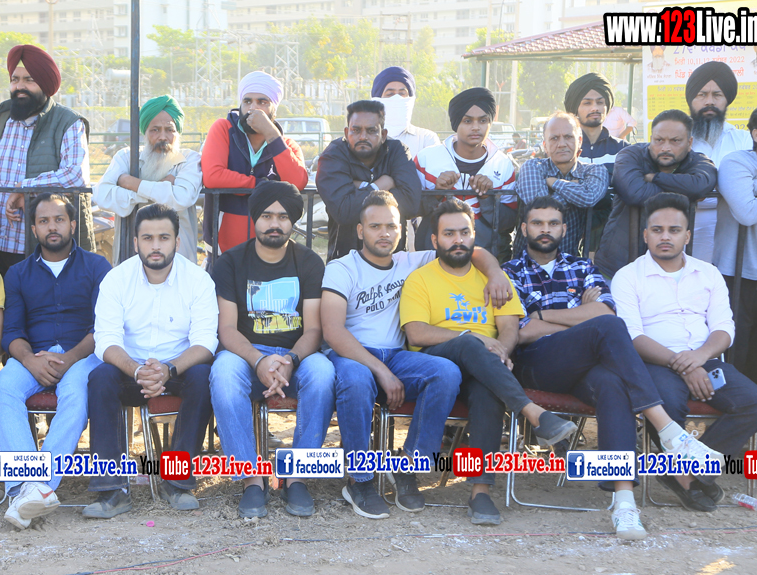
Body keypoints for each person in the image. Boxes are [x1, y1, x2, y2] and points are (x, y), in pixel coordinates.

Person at [504, 196, 723, 540]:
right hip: (537, 363)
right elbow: (523, 331)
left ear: (564, 228)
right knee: (607, 329)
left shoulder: (582, 267)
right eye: (537, 223)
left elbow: (604, 312)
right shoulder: (509, 272)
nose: (545, 230)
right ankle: (668, 431)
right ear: (524, 228)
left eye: (553, 223)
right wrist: (580, 317)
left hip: (586, 365)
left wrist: (543, 315)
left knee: (612, 383)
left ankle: (624, 503)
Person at [323, 191, 511, 519]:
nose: (384, 233)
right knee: (355, 380)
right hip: (353, 355)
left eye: (392, 226)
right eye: (375, 226)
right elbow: (333, 331)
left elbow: (470, 249)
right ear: (360, 231)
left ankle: (408, 466)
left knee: (446, 372)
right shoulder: (342, 268)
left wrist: (495, 272)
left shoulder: (411, 261)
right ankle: (359, 481)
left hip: (398, 356)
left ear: (402, 230)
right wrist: (381, 370)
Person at [400, 199, 578, 526]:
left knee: (487, 391)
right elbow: (416, 332)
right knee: (468, 342)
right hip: (437, 365)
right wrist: (474, 337)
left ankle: (480, 491)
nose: (458, 240)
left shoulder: (493, 279)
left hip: (485, 366)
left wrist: (501, 353)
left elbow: (510, 328)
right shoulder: (420, 279)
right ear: (435, 240)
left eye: (464, 232)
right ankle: (533, 413)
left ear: (474, 236)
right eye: (449, 234)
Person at [612, 193, 757, 512]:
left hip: (705, 360)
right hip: (653, 364)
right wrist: (682, 364)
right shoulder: (628, 276)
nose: (665, 237)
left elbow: (725, 328)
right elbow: (631, 335)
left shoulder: (708, 273)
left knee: (756, 403)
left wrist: (697, 359)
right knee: (667, 404)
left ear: (687, 235)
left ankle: (683, 474)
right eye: (657, 230)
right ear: (646, 235)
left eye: (673, 230)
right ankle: (688, 479)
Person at [209, 181, 334, 519]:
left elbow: (314, 329)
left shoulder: (309, 262)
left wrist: (290, 360)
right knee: (223, 373)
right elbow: (227, 329)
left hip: (297, 354)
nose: (274, 224)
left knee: (324, 373)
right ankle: (252, 478)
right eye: (266, 216)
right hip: (246, 353)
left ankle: (298, 477)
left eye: (282, 216)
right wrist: (259, 360)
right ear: (255, 219)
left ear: (293, 221)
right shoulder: (230, 263)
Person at [87, 204, 217, 518]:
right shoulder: (117, 279)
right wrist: (136, 371)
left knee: (203, 376)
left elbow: (205, 342)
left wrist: (169, 369)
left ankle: (176, 481)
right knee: (100, 377)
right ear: (135, 243)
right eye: (147, 238)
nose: (155, 245)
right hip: (130, 369)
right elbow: (105, 340)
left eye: (163, 237)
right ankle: (113, 490)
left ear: (177, 242)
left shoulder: (198, 280)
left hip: (179, 367)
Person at [0, 193, 110, 530]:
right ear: (34, 229)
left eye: (59, 219)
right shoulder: (17, 273)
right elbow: (11, 332)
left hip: (81, 354)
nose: (52, 227)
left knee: (76, 392)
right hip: (35, 355)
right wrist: (29, 361)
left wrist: (70, 358)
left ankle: (35, 487)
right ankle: (30, 487)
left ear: (73, 224)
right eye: (44, 221)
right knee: (6, 384)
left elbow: (103, 328)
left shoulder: (97, 267)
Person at [0, 45, 93, 276]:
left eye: (29, 80)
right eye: (15, 79)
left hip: (38, 246)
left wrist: (25, 188)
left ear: (45, 84)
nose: (19, 86)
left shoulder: (68, 122)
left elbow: (76, 176)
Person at [594, 110, 716, 279]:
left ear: (689, 143)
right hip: (619, 264)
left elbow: (701, 184)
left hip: (671, 271)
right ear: (651, 139)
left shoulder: (698, 161)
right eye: (659, 140)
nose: (666, 147)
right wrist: (685, 192)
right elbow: (635, 193)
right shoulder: (631, 155)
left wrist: (655, 178)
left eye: (675, 141)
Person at [200, 71, 308, 253]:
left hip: (271, 251)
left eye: (262, 102)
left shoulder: (287, 145)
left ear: (274, 109)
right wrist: (262, 186)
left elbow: (297, 182)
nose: (253, 108)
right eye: (247, 101)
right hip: (222, 250)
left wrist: (271, 133)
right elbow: (213, 176)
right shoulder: (223, 129)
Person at [93, 95, 201, 264]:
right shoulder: (126, 157)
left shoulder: (189, 159)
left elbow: (181, 197)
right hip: (132, 257)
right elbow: (102, 196)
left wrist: (132, 184)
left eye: (169, 130)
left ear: (177, 132)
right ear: (145, 132)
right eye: (155, 130)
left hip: (178, 259)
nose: (162, 137)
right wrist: (159, 189)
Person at [413, 88, 517, 260]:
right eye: (467, 121)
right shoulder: (426, 159)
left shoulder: (502, 164)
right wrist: (436, 193)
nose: (476, 127)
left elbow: (509, 222)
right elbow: (410, 210)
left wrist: (487, 198)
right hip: (433, 259)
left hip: (487, 261)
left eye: (483, 120)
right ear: (456, 123)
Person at [316, 100, 421, 260]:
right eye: (356, 130)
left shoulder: (397, 151)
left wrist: (358, 188)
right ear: (346, 133)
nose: (363, 136)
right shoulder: (333, 155)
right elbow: (343, 211)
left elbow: (411, 202)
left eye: (371, 131)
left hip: (393, 260)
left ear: (383, 135)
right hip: (345, 259)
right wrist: (378, 186)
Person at [715, 102, 757, 395]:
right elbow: (747, 212)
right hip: (736, 278)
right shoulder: (737, 162)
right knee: (736, 362)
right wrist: (753, 196)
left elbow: (753, 205)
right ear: (756, 134)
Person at [513, 112, 607, 257]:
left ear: (579, 141)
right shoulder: (532, 167)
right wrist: (574, 189)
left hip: (568, 264)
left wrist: (556, 183)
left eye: (568, 137)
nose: (562, 144)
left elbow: (589, 197)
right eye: (554, 138)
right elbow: (542, 211)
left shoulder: (594, 170)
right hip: (526, 264)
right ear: (545, 146)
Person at [684, 62, 748, 263]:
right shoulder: (677, 141)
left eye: (717, 95)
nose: (709, 101)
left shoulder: (744, 141)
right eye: (702, 94)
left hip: (734, 230)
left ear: (727, 100)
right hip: (685, 231)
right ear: (691, 100)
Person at [564, 73, 629, 252]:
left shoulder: (624, 150)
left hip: (612, 243)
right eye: (587, 103)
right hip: (569, 243)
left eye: (600, 102)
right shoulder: (563, 149)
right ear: (575, 108)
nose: (595, 108)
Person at [370, 66, 440, 159]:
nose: (397, 98)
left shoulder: (426, 139)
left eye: (402, 94)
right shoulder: (365, 140)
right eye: (390, 94)